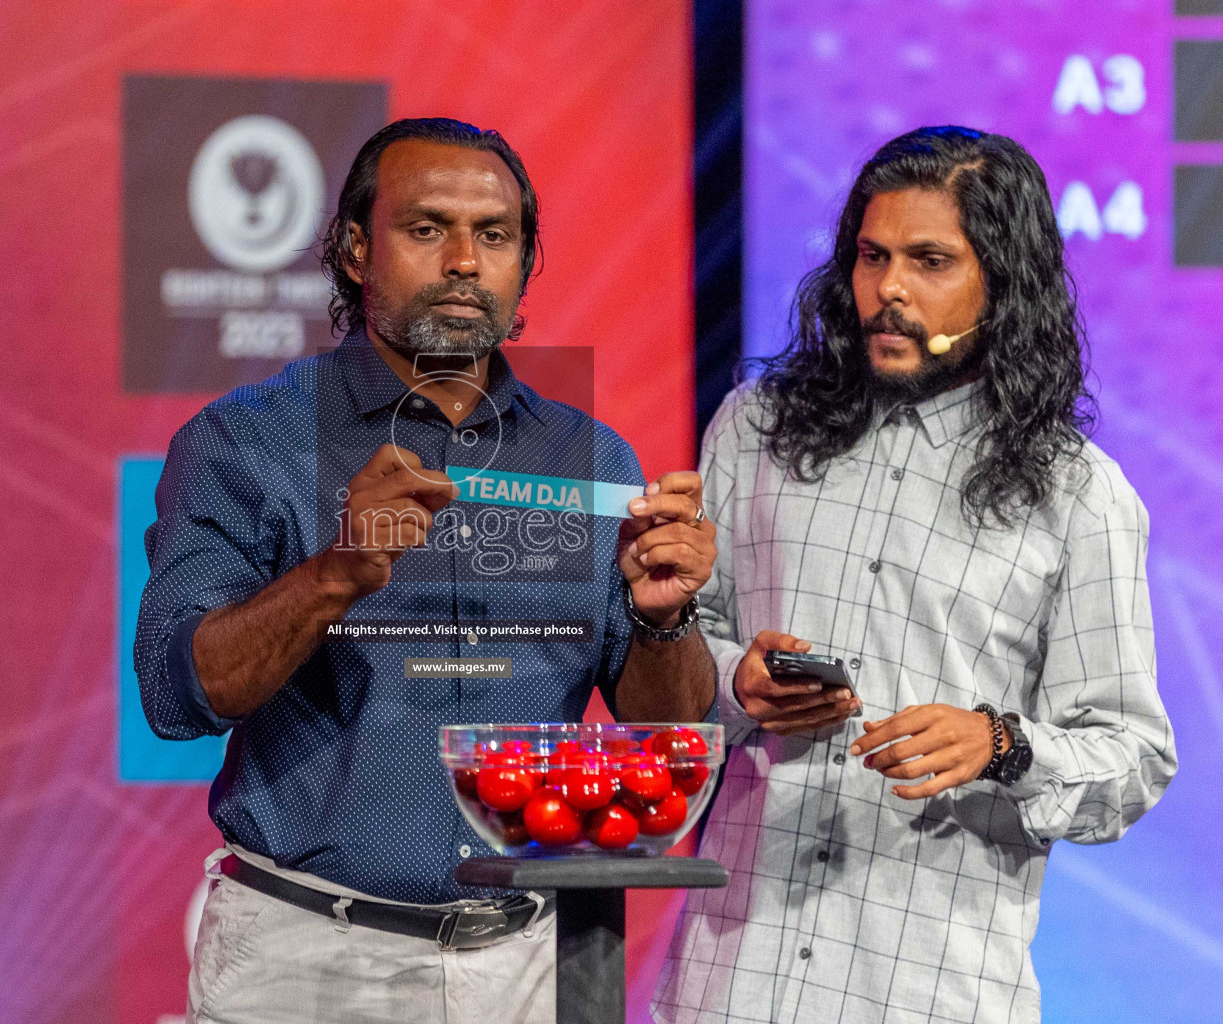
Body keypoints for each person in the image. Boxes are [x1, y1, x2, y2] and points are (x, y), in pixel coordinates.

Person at [136, 117, 719, 1024]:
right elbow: (179, 697)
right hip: (305, 961)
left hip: (527, 965)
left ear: (525, 260)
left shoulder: (589, 456)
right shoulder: (250, 441)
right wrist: (337, 572)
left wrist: (661, 618)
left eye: (493, 235)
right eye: (426, 228)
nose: (462, 261)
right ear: (356, 249)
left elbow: (664, 727)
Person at [651, 126, 1176, 1024]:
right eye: (871, 255)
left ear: (1002, 286)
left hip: (931, 988)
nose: (888, 289)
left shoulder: (1079, 494)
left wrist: (1001, 746)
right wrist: (737, 678)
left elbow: (1132, 757)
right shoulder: (756, 429)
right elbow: (676, 660)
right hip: (734, 976)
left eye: (930, 260)